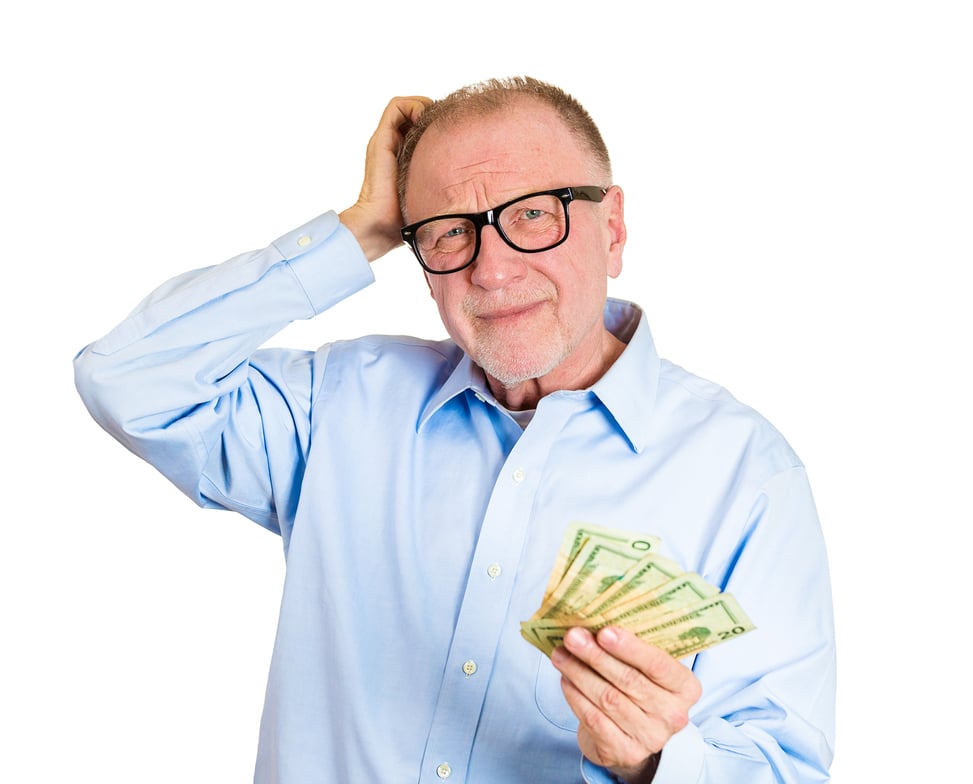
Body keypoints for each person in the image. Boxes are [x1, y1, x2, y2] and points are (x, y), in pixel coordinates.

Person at [74, 76, 835, 783]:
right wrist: (357, 232)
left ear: (613, 229)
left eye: (535, 214)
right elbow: (127, 378)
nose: (492, 268)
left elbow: (784, 767)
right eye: (447, 231)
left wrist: (653, 762)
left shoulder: (746, 475)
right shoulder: (337, 405)